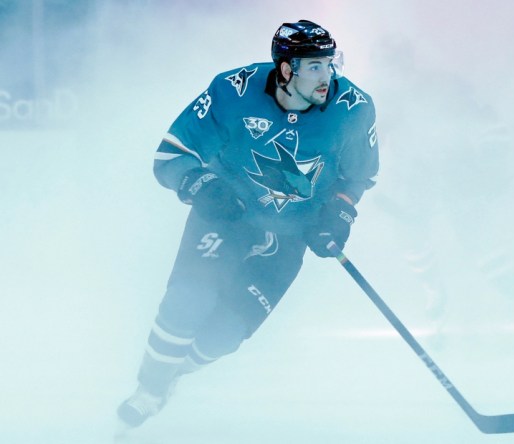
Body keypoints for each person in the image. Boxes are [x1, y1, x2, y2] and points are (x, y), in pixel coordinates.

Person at [116, 19, 379, 429]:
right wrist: (203, 186)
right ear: (286, 70)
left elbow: (356, 177)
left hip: (289, 237)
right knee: (187, 302)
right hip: (227, 217)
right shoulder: (232, 91)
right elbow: (170, 155)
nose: (327, 76)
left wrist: (337, 215)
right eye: (314, 66)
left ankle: (173, 375)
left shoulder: (354, 109)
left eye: (330, 64)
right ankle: (149, 389)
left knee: (224, 335)